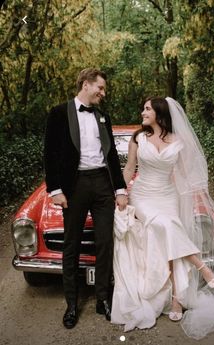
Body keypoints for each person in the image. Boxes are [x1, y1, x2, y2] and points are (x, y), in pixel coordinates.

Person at [111, 96, 214, 339]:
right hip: (144, 195)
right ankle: (202, 267)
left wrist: (191, 195)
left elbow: (187, 173)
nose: (143, 112)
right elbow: (129, 169)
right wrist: (121, 192)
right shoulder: (138, 137)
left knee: (168, 232)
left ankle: (177, 299)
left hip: (168, 197)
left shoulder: (179, 141)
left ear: (159, 113)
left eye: (147, 108)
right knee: (168, 225)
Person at [44, 68, 128, 329]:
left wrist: (121, 189)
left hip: (102, 183)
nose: (103, 93)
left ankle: (103, 299)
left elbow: (112, 155)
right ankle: (71, 304)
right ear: (86, 84)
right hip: (75, 186)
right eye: (100, 88)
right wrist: (55, 190)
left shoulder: (103, 116)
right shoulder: (59, 113)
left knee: (105, 241)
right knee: (71, 245)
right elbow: (50, 153)